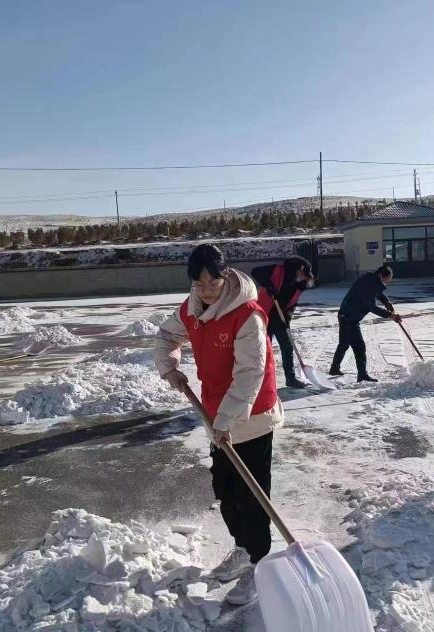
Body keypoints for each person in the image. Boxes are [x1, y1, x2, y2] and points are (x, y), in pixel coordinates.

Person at [155, 244, 284, 606]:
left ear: (225, 276)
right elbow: (165, 336)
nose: (207, 290)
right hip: (216, 417)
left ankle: (259, 564)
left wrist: (225, 421)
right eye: (199, 284)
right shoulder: (192, 309)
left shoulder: (247, 314)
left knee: (253, 496)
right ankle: (242, 549)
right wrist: (169, 367)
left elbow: (250, 373)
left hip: (252, 416)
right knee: (226, 491)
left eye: (212, 283)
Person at [329, 264, 402, 382]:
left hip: (345, 314)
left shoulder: (371, 279)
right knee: (359, 347)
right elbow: (372, 307)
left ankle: (334, 368)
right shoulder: (369, 284)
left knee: (344, 344)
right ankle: (362, 375)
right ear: (381, 276)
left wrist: (386, 302)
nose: (388, 282)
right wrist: (391, 315)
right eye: (388, 279)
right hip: (350, 318)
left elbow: (378, 292)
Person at [251, 256, 315, 389]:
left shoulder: (298, 286)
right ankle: (261, 380)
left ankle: (290, 378)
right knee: (263, 350)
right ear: (298, 270)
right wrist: (269, 285)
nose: (304, 278)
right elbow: (255, 271)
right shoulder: (277, 271)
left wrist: (287, 320)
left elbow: (291, 306)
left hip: (280, 320)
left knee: (287, 347)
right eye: (304, 274)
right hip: (263, 317)